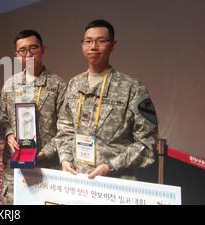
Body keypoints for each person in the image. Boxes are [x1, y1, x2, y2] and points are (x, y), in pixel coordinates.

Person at [47, 19, 158, 180]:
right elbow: (65, 129)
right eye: (88, 41)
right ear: (82, 45)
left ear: (113, 45)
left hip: (115, 181)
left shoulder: (132, 87)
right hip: (76, 178)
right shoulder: (74, 84)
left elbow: (147, 143)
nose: (93, 46)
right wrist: (65, 159)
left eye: (101, 41)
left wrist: (110, 166)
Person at [0, 30, 66, 204]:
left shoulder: (58, 85)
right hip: (15, 168)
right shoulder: (10, 84)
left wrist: (45, 152)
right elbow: (2, 117)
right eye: (23, 50)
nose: (28, 54)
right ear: (16, 55)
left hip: (48, 166)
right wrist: (8, 134)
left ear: (43, 49)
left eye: (33, 48)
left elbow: (67, 128)